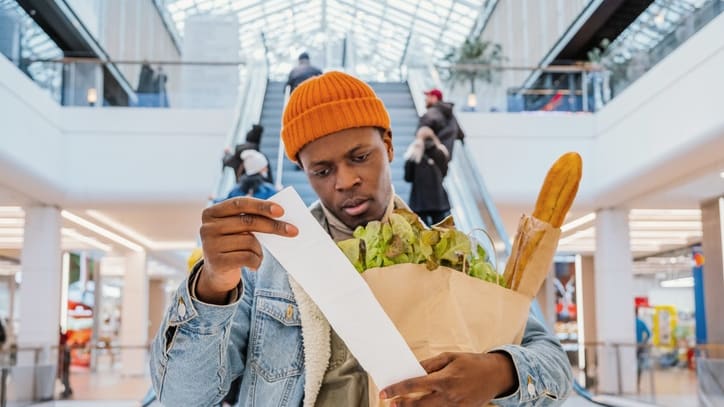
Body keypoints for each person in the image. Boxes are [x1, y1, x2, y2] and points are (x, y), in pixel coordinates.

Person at [150, 71, 572, 406]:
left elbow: (552, 361)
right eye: (322, 170)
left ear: (388, 145)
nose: (346, 181)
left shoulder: (452, 253)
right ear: (304, 171)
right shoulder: (268, 266)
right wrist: (213, 285)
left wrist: (498, 373)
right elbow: (182, 397)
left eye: (359, 157)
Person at [403, 126, 451, 226]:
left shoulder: (413, 154)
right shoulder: (441, 152)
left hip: (419, 200)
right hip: (438, 199)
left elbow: (407, 177)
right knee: (441, 232)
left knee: (421, 232)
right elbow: (444, 173)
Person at [418, 88, 465, 158]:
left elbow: (420, 134)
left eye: (428, 97)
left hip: (430, 158)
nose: (425, 99)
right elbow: (460, 135)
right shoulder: (451, 116)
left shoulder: (430, 114)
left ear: (434, 98)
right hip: (445, 158)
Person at [636, 314, 651, 391]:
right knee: (639, 365)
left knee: (631, 365)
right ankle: (637, 383)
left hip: (631, 347)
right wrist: (643, 342)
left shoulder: (629, 323)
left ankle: (632, 382)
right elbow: (648, 333)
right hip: (640, 346)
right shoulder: (641, 322)